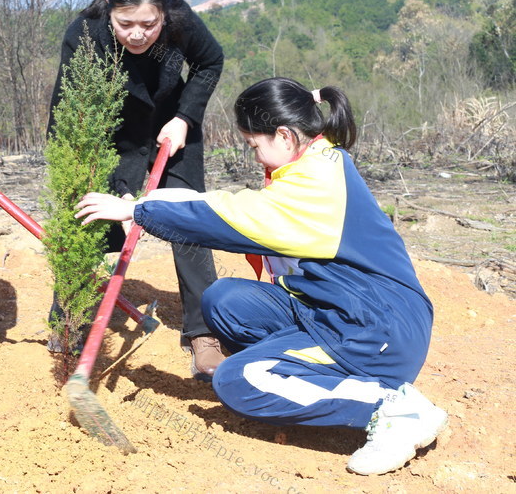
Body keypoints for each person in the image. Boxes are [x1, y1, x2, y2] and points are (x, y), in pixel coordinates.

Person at [75, 77, 447, 476]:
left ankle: (393, 409)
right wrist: (143, 203)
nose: (255, 157)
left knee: (236, 381)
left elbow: (226, 219)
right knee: (224, 300)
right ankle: (297, 374)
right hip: (337, 312)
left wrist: (138, 215)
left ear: (284, 135)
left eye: (255, 145)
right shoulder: (317, 159)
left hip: (374, 332)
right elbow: (226, 203)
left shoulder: (316, 186)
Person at [47, 0, 225, 380]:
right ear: (109, 8)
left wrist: (185, 117)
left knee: (188, 218)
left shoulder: (181, 23)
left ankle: (203, 332)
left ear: (165, 13)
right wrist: (116, 187)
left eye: (149, 23)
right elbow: (69, 117)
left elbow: (210, 62)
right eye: (126, 23)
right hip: (107, 134)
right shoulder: (85, 35)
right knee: (89, 215)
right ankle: (70, 317)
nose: (138, 34)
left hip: (170, 128)